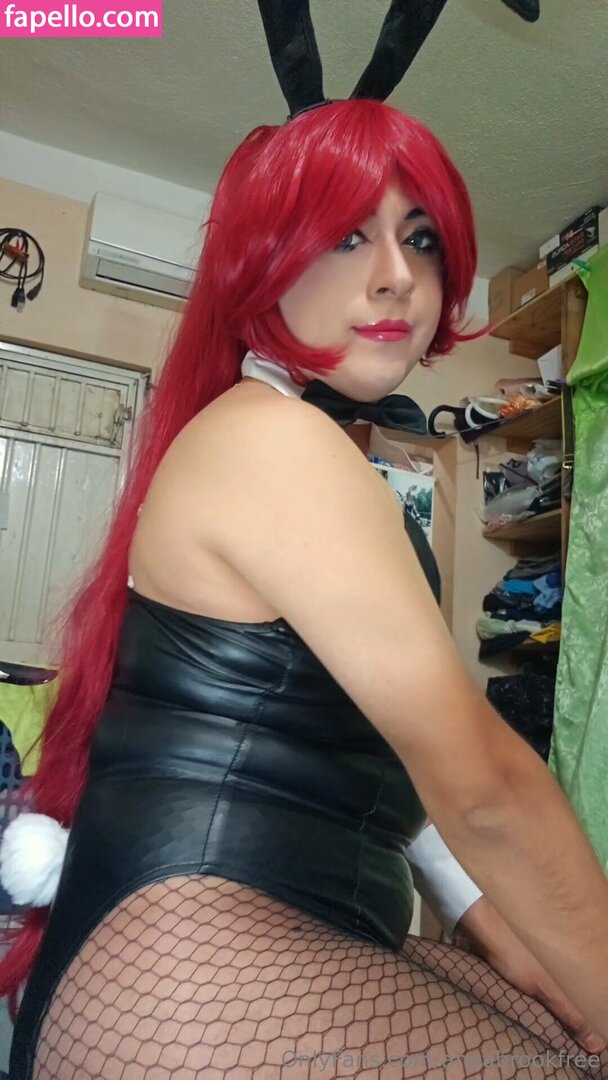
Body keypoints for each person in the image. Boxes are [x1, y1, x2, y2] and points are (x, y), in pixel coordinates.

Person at [1, 3, 607, 1078]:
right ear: (265, 263)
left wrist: (528, 959)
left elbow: (404, 778)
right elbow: (483, 788)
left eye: (419, 237)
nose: (397, 275)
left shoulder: (290, 442)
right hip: (194, 973)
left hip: (245, 947)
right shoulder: (274, 441)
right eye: (345, 234)